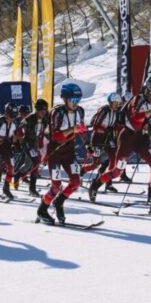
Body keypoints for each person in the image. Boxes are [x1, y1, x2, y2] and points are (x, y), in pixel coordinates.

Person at [89, 76, 151, 203]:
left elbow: (150, 121)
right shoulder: (137, 99)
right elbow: (135, 119)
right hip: (127, 138)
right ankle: (95, 185)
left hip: (141, 139)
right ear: (147, 90)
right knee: (117, 171)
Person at [35, 83, 85, 225]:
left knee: (75, 182)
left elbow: (80, 129)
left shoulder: (80, 111)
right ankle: (42, 209)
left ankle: (59, 202)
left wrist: (84, 137)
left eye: (78, 100)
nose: (76, 104)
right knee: (56, 186)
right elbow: (56, 136)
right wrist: (73, 129)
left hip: (69, 151)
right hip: (55, 151)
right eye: (73, 100)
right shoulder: (57, 112)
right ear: (65, 99)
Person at [83, 93, 123, 192]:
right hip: (97, 139)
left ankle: (108, 183)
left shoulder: (115, 112)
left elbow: (115, 125)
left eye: (118, 103)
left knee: (113, 158)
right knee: (95, 164)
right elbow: (95, 126)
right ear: (110, 102)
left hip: (108, 139)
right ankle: (81, 171)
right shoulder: (104, 110)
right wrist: (106, 130)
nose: (117, 105)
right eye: (115, 103)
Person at [13, 98, 49, 197]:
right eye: (42, 110)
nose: (44, 112)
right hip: (27, 143)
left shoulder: (45, 119)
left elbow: (46, 132)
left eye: (45, 110)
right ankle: (32, 189)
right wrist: (17, 141)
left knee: (29, 164)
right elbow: (18, 131)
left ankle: (17, 175)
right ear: (37, 109)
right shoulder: (29, 119)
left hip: (35, 143)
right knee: (36, 163)